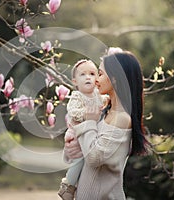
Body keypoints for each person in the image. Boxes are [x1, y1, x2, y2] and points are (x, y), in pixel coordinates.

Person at [63, 50, 149, 200]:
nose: (95, 79)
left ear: (115, 79)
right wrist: (72, 146)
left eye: (100, 74)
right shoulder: (106, 111)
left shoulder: (122, 118)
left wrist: (88, 122)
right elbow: (88, 147)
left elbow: (94, 157)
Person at [58, 59, 109, 200]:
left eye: (92, 74)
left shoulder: (99, 96)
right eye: (83, 74)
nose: (88, 77)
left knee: (87, 162)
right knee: (80, 159)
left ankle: (77, 185)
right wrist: (86, 114)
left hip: (91, 133)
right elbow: (73, 111)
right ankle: (68, 184)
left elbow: (107, 100)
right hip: (76, 133)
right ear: (75, 81)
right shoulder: (77, 96)